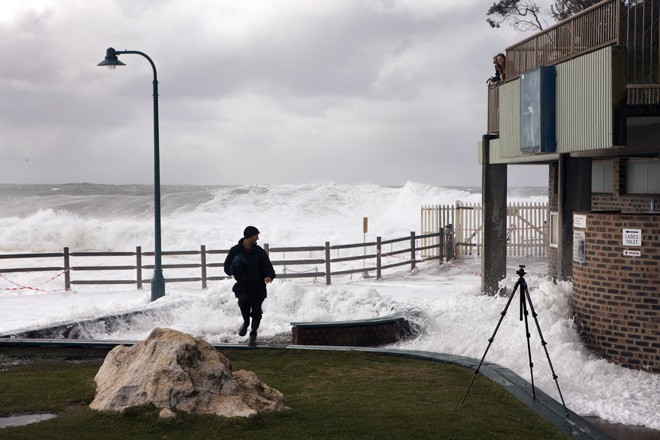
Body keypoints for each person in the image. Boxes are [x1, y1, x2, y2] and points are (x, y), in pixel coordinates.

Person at [224, 226, 276, 346]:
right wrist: (234, 267)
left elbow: (266, 265)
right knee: (244, 304)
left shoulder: (259, 251)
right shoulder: (235, 250)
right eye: (255, 235)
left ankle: (253, 333)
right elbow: (227, 267)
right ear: (249, 236)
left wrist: (270, 276)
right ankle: (246, 322)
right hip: (243, 285)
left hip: (258, 285)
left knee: (257, 311)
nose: (257, 237)